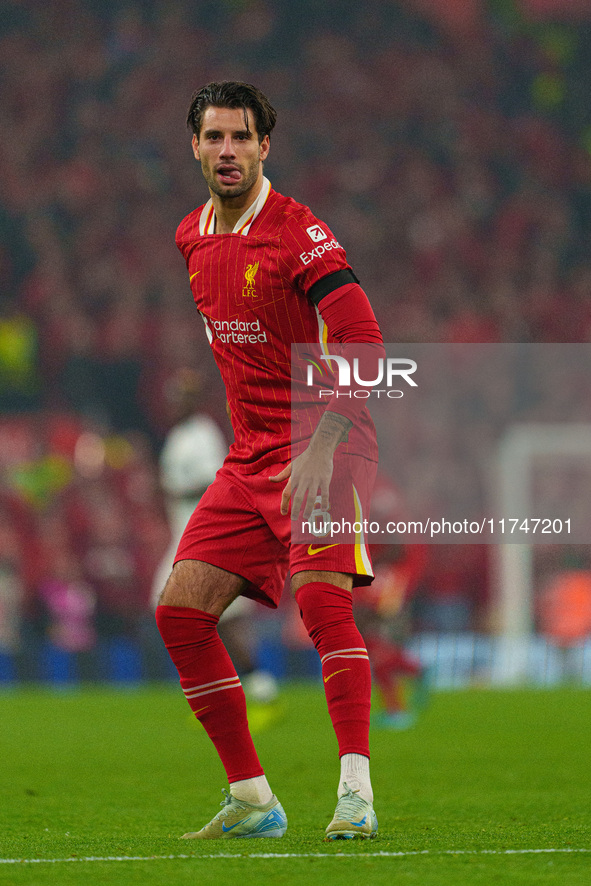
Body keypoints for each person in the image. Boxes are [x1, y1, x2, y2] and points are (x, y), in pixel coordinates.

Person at [155, 81, 384, 841]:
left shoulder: (297, 231)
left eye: (241, 138)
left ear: (263, 148)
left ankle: (355, 793)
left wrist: (321, 440)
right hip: (251, 457)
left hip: (326, 442)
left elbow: (365, 344)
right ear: (194, 145)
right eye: (214, 137)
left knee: (321, 605)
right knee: (180, 612)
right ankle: (253, 799)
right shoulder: (192, 236)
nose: (227, 151)